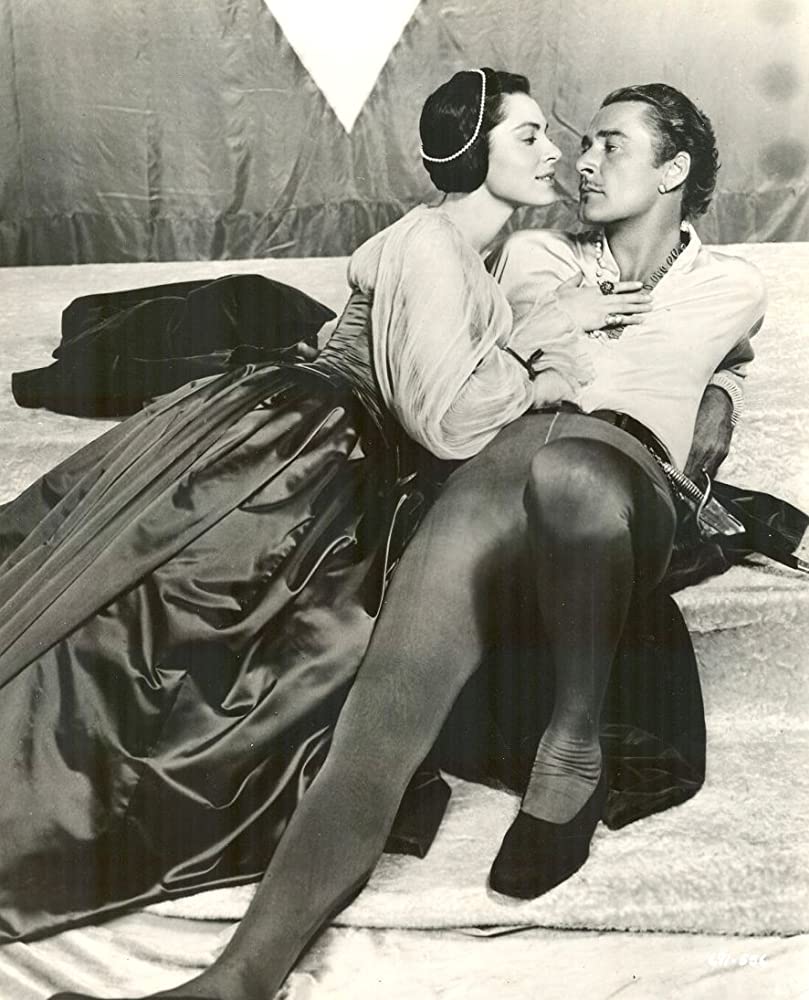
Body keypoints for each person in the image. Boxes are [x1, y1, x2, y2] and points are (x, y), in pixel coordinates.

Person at [1, 67, 614, 955]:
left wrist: (534, 334)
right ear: (475, 154)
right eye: (528, 136)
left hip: (296, 423)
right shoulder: (433, 245)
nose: (552, 150)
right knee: (162, 616)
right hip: (302, 440)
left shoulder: (456, 246)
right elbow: (442, 420)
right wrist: (539, 366)